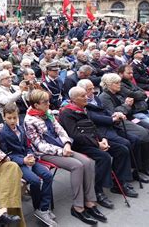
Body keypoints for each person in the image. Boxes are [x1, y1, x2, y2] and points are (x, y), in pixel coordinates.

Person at [24, 89, 103, 225]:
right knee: (77, 166)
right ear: (36, 105)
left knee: (88, 162)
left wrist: (66, 143)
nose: (49, 104)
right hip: (45, 153)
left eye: (48, 101)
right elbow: (39, 145)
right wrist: (62, 151)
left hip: (61, 147)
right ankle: (78, 207)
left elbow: (60, 129)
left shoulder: (47, 113)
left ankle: (90, 201)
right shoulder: (29, 120)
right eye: (45, 102)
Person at [60, 87, 137, 204]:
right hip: (80, 144)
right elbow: (75, 135)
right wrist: (97, 144)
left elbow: (94, 127)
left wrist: (103, 139)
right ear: (74, 99)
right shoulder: (67, 113)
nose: (86, 97)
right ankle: (97, 191)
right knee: (103, 157)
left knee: (122, 149)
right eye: (82, 96)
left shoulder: (84, 108)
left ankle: (119, 183)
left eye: (86, 95)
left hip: (94, 140)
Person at [98, 73, 149, 177]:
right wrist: (126, 105)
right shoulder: (104, 97)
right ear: (109, 84)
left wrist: (127, 106)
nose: (119, 84)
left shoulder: (118, 92)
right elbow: (113, 114)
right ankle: (144, 166)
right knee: (144, 134)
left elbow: (129, 106)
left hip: (129, 117)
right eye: (116, 83)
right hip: (119, 122)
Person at [0, 103, 55, 226]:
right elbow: (6, 155)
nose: (13, 120)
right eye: (9, 118)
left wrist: (30, 155)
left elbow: (27, 146)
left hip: (28, 159)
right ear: (4, 117)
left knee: (47, 175)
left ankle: (43, 208)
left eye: (15, 117)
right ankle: (38, 208)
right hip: (17, 164)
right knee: (35, 181)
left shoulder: (20, 128)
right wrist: (23, 160)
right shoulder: (2, 134)